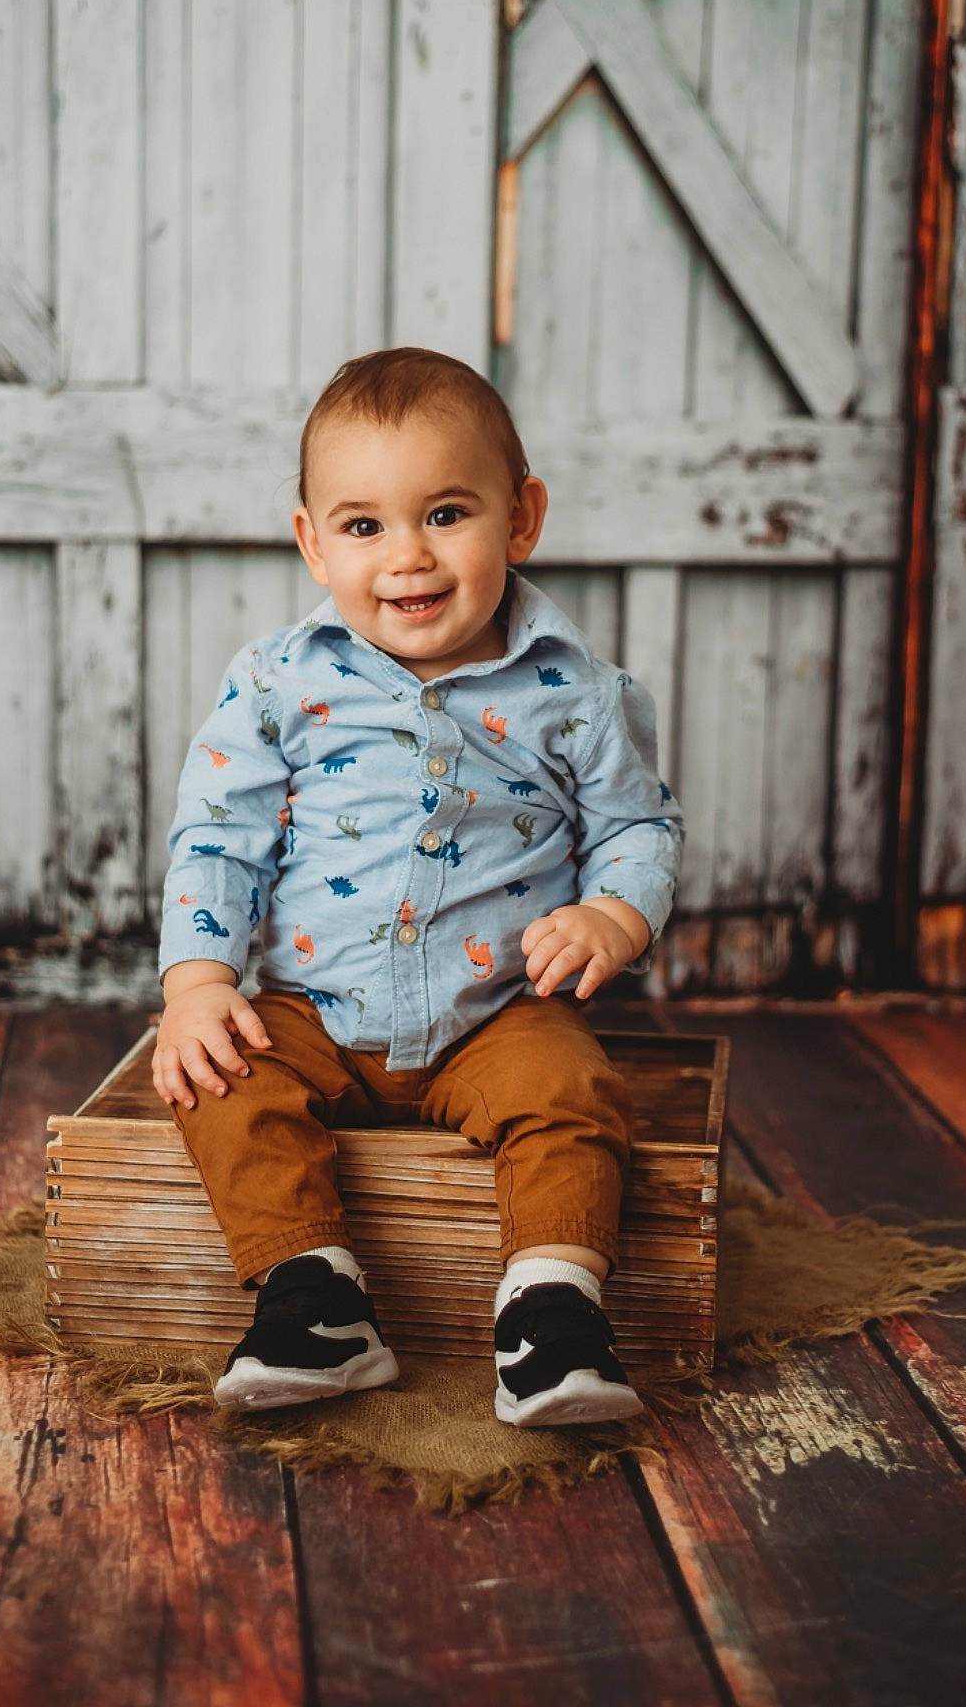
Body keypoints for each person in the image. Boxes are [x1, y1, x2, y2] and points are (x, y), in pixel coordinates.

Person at [154, 348, 683, 1426]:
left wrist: (609, 914)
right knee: (214, 1076)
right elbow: (221, 831)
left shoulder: (572, 692)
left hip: (497, 1016)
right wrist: (198, 980)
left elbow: (636, 821)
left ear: (520, 517)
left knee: (574, 1098)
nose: (408, 557)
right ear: (311, 541)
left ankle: (551, 1315)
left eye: (445, 512)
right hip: (314, 1006)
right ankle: (313, 1299)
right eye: (363, 526)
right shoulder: (278, 684)